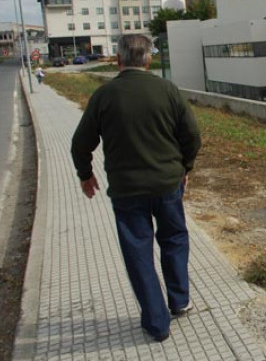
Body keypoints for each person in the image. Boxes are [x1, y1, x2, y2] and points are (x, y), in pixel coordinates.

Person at [71, 34, 202, 342]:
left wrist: (85, 174)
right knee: (174, 239)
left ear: (118, 61)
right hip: (168, 184)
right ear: (148, 60)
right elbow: (192, 135)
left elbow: (80, 143)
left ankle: (157, 324)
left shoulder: (104, 96)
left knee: (138, 252)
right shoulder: (167, 90)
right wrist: (185, 168)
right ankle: (180, 301)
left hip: (127, 191)